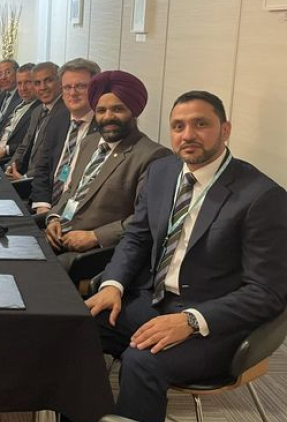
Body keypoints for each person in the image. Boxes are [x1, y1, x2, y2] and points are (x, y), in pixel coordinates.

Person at [85, 90, 287, 422]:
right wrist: (113, 285)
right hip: (153, 301)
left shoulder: (261, 197)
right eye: (178, 126)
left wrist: (191, 321)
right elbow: (136, 237)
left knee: (141, 360)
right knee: (75, 328)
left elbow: (266, 292)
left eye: (201, 124)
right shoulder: (162, 172)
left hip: (214, 323)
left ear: (225, 130)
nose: (188, 135)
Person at [44, 70, 170, 258]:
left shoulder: (153, 155)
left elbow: (147, 217)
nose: (108, 117)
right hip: (61, 235)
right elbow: (73, 191)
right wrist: (55, 218)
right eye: (101, 111)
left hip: (96, 252)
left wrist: (95, 236)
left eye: (117, 109)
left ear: (133, 112)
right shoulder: (89, 142)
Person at [30, 58, 100, 214]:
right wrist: (42, 207)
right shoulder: (59, 118)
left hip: (75, 217)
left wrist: (61, 219)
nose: (72, 93)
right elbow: (43, 167)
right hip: (46, 209)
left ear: (96, 89)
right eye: (67, 87)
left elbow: (91, 191)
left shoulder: (103, 130)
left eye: (81, 86)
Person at [6, 61, 63, 179]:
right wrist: (11, 166)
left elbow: (53, 160)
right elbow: (23, 146)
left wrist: (25, 178)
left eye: (48, 80)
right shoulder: (37, 111)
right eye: (37, 83)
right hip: (22, 175)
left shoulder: (65, 113)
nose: (43, 87)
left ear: (60, 82)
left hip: (39, 183)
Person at [0, 63, 39, 163]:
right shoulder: (18, 103)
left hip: (7, 159)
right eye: (19, 83)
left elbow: (31, 143)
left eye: (28, 82)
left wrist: (5, 150)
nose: (23, 88)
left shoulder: (40, 109)